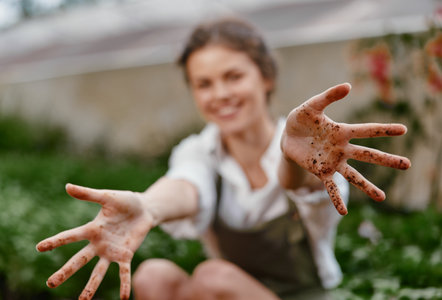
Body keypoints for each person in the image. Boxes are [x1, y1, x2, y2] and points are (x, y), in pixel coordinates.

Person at [36, 18, 411, 300]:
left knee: (215, 277)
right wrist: (147, 206)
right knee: (153, 276)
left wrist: (291, 157)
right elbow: (185, 186)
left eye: (233, 76)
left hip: (296, 295)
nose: (220, 94)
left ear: (265, 77)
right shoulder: (199, 152)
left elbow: (298, 180)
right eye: (204, 83)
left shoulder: (311, 148)